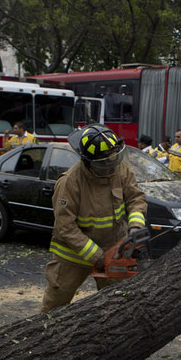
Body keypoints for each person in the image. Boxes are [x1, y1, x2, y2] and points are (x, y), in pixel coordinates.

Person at [41, 124, 147, 310]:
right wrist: (98, 257)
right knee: (55, 304)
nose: (110, 166)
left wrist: (135, 227)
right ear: (88, 161)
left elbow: (135, 199)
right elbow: (65, 226)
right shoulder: (70, 182)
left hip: (114, 249)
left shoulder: (120, 170)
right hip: (74, 254)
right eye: (103, 163)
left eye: (114, 158)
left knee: (117, 302)